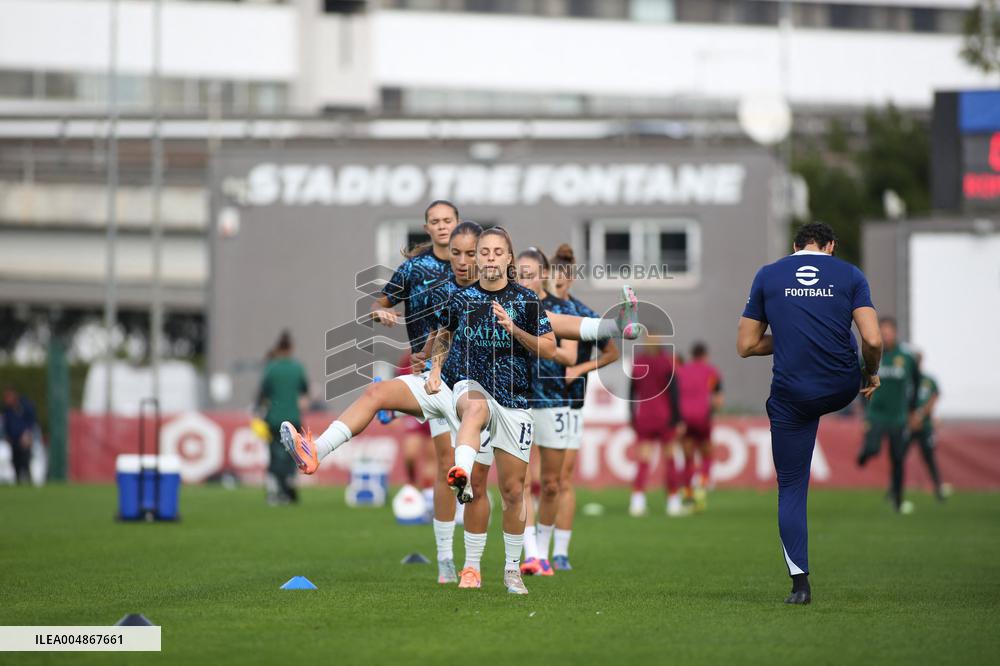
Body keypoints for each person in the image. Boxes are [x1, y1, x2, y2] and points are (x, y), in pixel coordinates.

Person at [737, 221, 882, 605]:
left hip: (793, 395)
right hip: (841, 386)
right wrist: (870, 373)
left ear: (794, 246)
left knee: (791, 488)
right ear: (831, 246)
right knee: (844, 335)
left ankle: (800, 585)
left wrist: (788, 334)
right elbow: (872, 339)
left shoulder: (768, 275)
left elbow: (746, 345)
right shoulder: (850, 274)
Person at [369, 200, 462, 583]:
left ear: (458, 224)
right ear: (427, 227)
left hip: (477, 373)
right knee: (447, 467)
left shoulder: (470, 267)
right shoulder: (412, 270)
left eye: (448, 221)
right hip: (431, 377)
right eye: (435, 222)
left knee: (483, 473)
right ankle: (446, 560)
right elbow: (379, 304)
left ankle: (509, 557)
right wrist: (383, 314)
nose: (442, 227)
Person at [549, 244, 619, 570]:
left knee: (561, 479)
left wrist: (578, 369)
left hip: (570, 400)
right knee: (532, 479)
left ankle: (560, 550)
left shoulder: (584, 313)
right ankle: (534, 546)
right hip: (532, 397)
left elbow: (611, 354)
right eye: (553, 276)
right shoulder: (536, 309)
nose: (558, 282)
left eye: (564, 277)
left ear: (572, 278)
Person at [514, 247, 579, 576]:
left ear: (543, 274)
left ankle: (546, 547)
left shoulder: (558, 309)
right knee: (521, 482)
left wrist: (537, 341)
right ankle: (533, 555)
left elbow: (569, 357)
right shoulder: (507, 304)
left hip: (553, 400)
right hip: (516, 401)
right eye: (519, 272)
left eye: (530, 272)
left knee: (552, 484)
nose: (524, 278)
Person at [856, 317, 920, 513]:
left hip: (898, 417)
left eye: (888, 331)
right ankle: (864, 453)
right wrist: (863, 411)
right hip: (875, 414)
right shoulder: (871, 354)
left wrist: (912, 411)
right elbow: (860, 382)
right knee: (873, 449)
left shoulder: (907, 358)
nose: (885, 334)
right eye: (881, 331)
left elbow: (916, 383)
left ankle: (898, 501)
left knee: (898, 459)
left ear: (895, 333)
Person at [628, 330, 683, 517]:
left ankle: (637, 501)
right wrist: (677, 419)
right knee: (670, 459)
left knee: (643, 460)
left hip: (644, 416)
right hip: (664, 416)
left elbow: (631, 393)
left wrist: (631, 417)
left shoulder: (637, 362)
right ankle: (673, 502)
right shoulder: (666, 361)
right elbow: (674, 392)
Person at [256, 331, 308, 504]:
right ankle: (288, 488)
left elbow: (262, 394)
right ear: (291, 348)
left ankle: (274, 489)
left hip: (274, 418)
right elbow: (304, 392)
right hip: (293, 417)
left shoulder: (271, 368)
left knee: (275, 454)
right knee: (292, 455)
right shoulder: (297, 367)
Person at [677, 342, 723, 511]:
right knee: (707, 455)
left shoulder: (682, 371)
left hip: (684, 419)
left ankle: (688, 495)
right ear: (705, 355)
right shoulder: (711, 371)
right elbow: (718, 399)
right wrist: (713, 412)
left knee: (688, 458)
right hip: (703, 418)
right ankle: (701, 488)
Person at [909, 351, 946, 502]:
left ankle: (938, 489)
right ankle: (894, 490)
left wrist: (921, 415)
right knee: (898, 456)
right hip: (909, 424)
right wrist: (911, 417)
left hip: (924, 425)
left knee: (929, 458)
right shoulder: (907, 380)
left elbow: (934, 397)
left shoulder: (928, 380)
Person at [2, 386, 37, 485]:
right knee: (16, 462)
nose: (6, 400)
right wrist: (7, 436)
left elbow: (31, 421)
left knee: (25, 461)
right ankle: (18, 482)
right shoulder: (7, 410)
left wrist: (27, 434)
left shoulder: (25, 405)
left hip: (25, 439)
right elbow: (7, 424)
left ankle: (29, 482)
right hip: (14, 440)